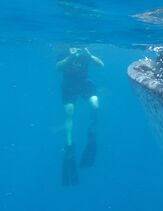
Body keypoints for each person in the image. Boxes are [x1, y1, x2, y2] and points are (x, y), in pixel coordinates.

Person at [56, 47, 104, 186]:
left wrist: (90, 56)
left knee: (95, 105)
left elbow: (101, 65)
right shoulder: (64, 51)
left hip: (84, 83)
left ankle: (91, 133)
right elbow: (57, 68)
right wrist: (68, 58)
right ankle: (69, 146)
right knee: (69, 113)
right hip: (68, 85)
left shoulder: (85, 51)